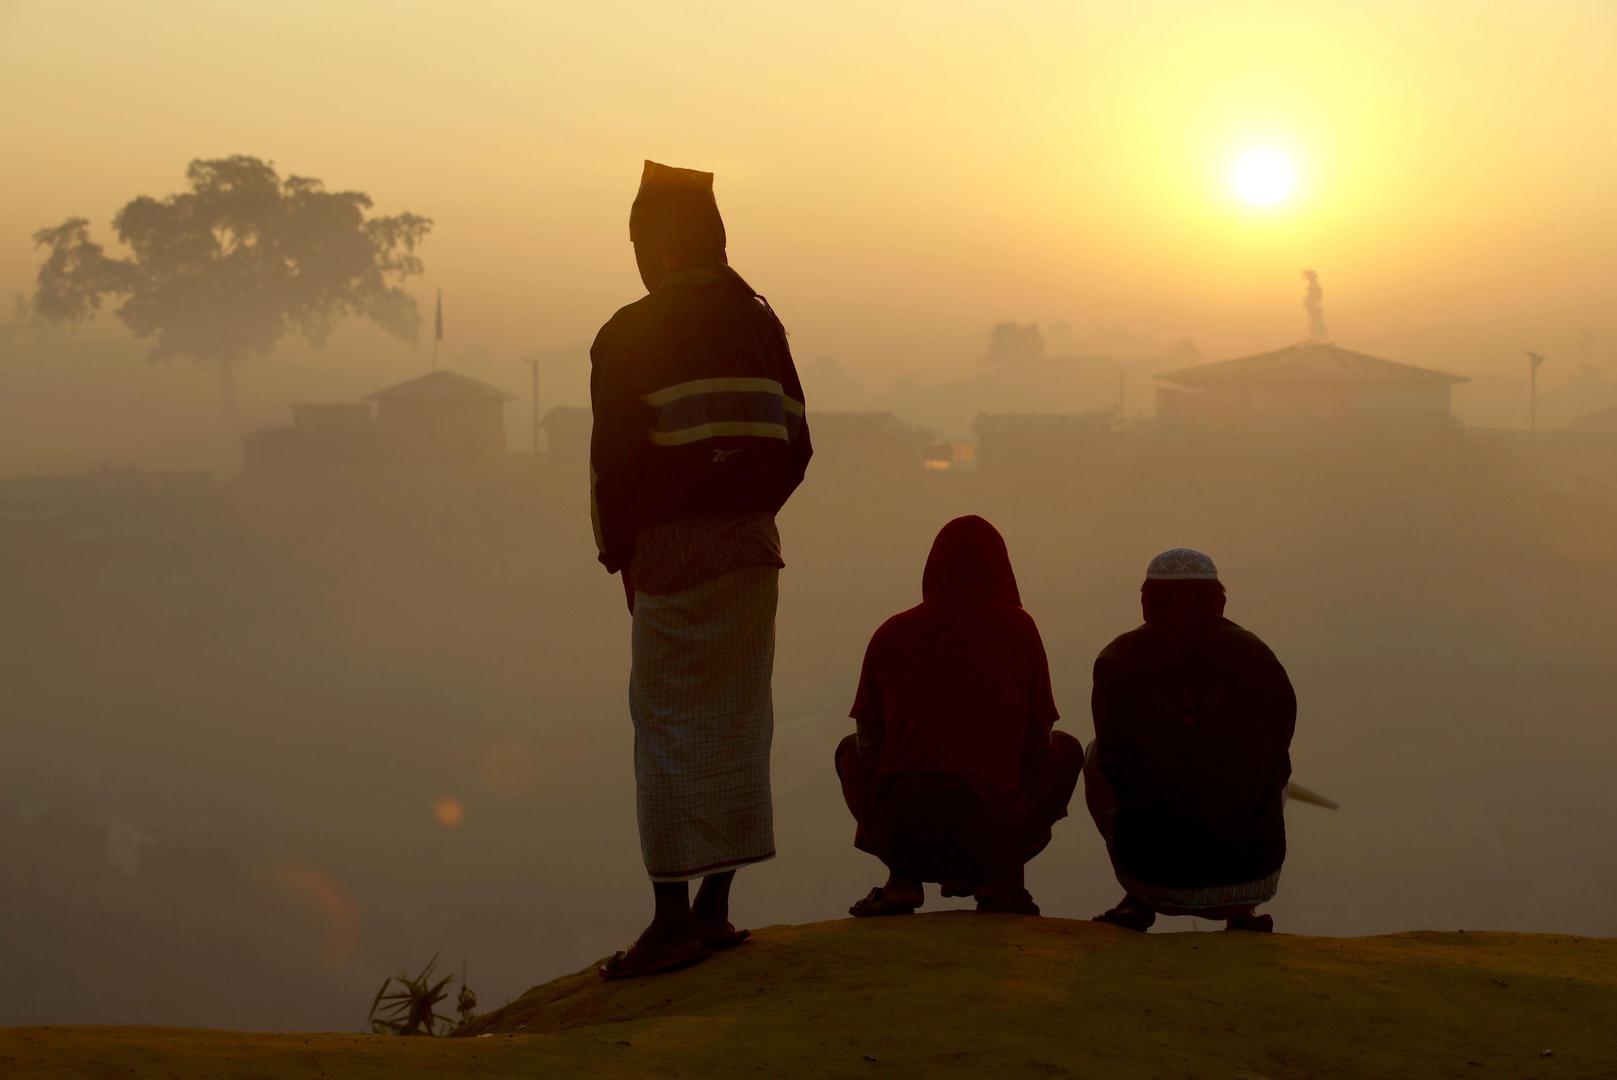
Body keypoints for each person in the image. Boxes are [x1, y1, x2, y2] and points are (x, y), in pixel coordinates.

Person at [590, 160, 812, 978]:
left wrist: (625, 556)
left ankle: (669, 923)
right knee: (736, 720)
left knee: (668, 730)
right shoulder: (761, 323)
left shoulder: (630, 331)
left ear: (656, 245)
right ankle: (716, 911)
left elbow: (613, 463)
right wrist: (745, 510)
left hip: (671, 552)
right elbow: (797, 444)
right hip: (751, 547)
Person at [835, 516, 1082, 917]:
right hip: (989, 831)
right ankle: (1001, 883)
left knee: (847, 752)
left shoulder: (892, 632)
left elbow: (868, 745)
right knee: (1066, 749)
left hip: (902, 831)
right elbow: (1038, 741)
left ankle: (901, 881)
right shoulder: (1018, 629)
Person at [1085, 548, 1295, 933]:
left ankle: (1138, 903)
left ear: (1147, 602)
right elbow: (1280, 743)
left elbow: (1115, 761)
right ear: (1219, 600)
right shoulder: (1257, 655)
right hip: (1251, 878)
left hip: (1151, 876)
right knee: (1276, 768)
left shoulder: (1117, 658)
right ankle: (1241, 914)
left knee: (1095, 754)